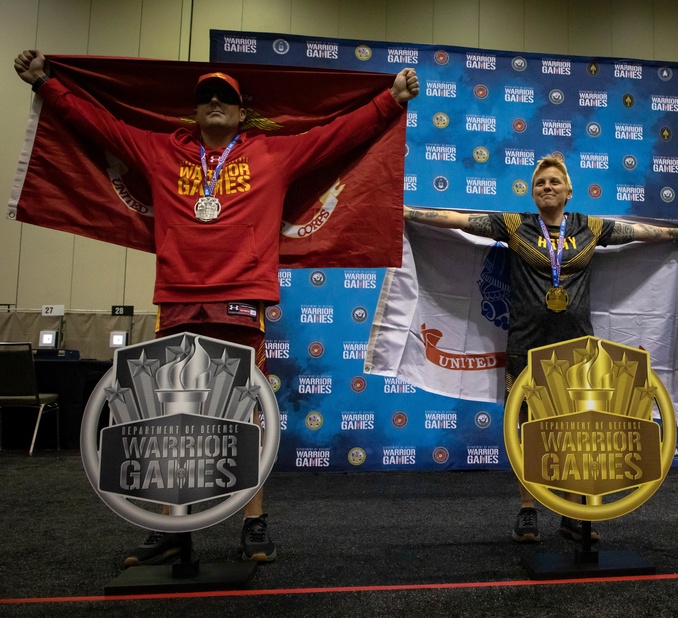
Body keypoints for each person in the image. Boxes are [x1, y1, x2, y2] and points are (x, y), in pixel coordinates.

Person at [13, 49, 420, 563]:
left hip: (241, 299)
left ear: (241, 112)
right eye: (205, 95)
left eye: (224, 97)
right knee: (169, 415)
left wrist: (389, 101)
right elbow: (100, 126)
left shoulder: (273, 154)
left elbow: (335, 136)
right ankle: (172, 529)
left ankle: (253, 522)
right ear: (194, 110)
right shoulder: (160, 151)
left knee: (244, 412)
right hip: (179, 299)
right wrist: (47, 85)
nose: (213, 102)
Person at [404, 154, 678, 542]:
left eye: (555, 182)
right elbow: (458, 221)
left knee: (575, 430)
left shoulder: (589, 227)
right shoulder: (514, 225)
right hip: (526, 346)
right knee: (527, 429)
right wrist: (408, 212)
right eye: (540, 183)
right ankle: (528, 509)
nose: (547, 187)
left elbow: (638, 231)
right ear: (532, 192)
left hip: (578, 353)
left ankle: (571, 513)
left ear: (568, 192)